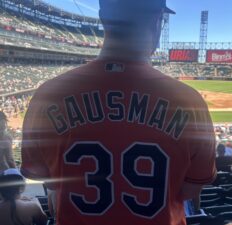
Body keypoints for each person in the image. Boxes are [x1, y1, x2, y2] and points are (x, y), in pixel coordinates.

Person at [20, 1, 216, 225]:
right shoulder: (190, 102)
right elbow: (190, 190)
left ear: (103, 17)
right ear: (157, 21)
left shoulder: (47, 96)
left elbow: (48, 181)